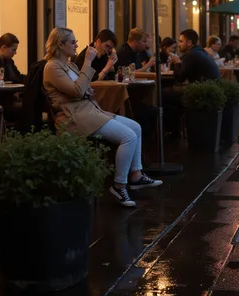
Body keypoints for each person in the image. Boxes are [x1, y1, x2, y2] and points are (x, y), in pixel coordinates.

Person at [43, 27, 162, 207]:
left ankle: (136, 175)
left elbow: (82, 87)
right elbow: (76, 90)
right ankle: (119, 185)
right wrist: (88, 63)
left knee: (136, 127)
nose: (76, 45)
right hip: (74, 117)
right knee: (128, 137)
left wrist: (87, 88)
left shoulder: (68, 64)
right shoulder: (52, 67)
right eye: (73, 42)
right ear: (60, 44)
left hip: (89, 110)